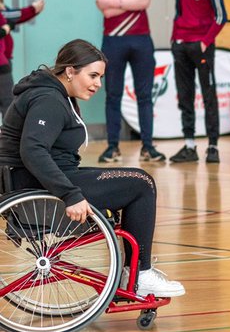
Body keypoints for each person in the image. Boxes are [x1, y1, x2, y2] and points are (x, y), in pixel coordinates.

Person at [0, 39, 184, 297]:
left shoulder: (54, 94)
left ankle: (134, 273)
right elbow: (33, 150)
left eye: (100, 77)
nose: (98, 84)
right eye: (93, 75)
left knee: (137, 179)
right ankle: (140, 275)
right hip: (36, 188)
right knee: (141, 184)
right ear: (70, 71)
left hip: (40, 180)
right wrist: (70, 195)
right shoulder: (48, 99)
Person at [93, 0, 163, 164]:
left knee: (145, 95)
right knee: (113, 95)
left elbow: (144, 2)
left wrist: (117, 3)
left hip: (141, 39)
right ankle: (112, 147)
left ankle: (148, 147)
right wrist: (132, 3)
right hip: (114, 40)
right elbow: (104, 8)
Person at [168, 0, 227, 165]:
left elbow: (221, 16)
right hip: (181, 46)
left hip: (201, 47)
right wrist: (174, 40)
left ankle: (213, 146)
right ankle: (190, 145)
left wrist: (205, 41)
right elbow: (179, 13)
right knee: (185, 96)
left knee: (208, 95)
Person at [0, 0, 44, 114]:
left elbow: (9, 16)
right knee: (8, 104)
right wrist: (33, 9)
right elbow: (10, 17)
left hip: (5, 59)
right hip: (1, 62)